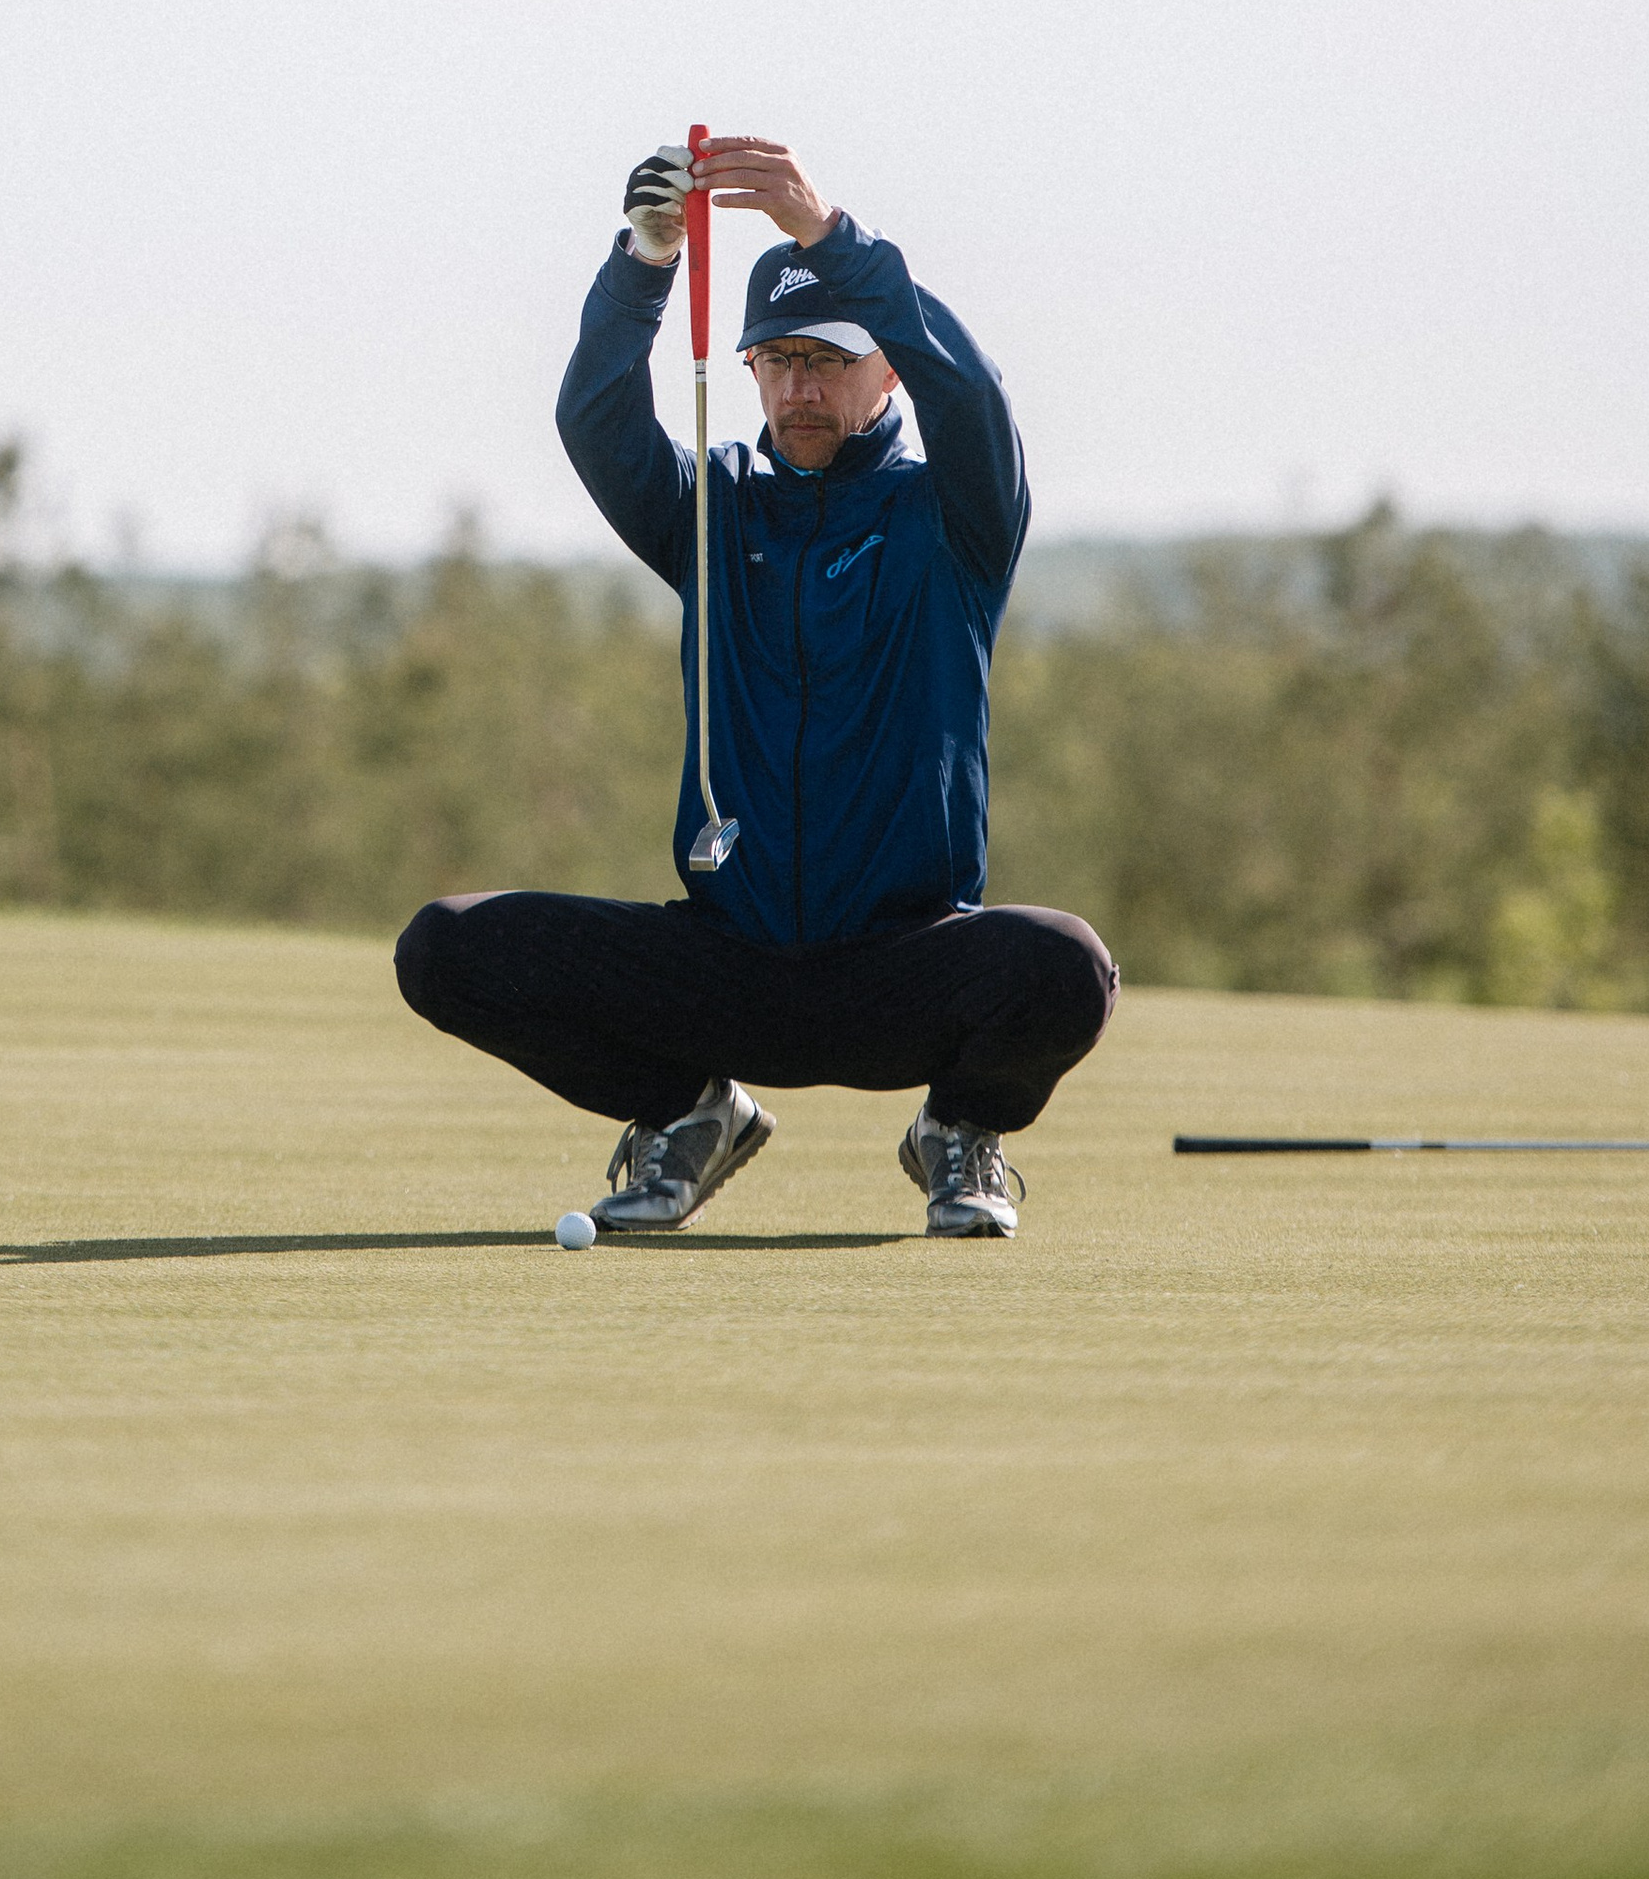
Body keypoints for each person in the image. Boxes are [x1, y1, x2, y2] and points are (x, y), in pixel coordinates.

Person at [394, 133, 1115, 1238]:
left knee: (1063, 965)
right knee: (444, 947)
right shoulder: (712, 510)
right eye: (775, 360)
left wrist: (830, 235)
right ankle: (687, 1113)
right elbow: (594, 421)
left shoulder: (952, 520)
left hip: (900, 963)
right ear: (747, 373)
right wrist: (641, 263)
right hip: (724, 963)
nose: (800, 385)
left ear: (886, 371)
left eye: (827, 358)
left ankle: (958, 1131)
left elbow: (973, 399)